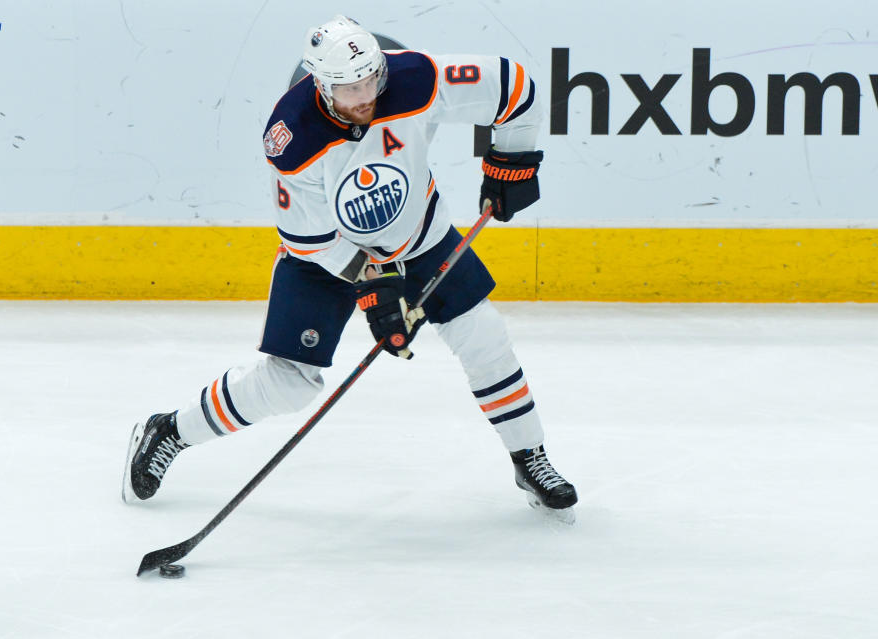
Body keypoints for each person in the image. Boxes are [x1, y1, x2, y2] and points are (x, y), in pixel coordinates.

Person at [121, 15, 577, 516]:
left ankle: (528, 456)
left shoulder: (414, 79)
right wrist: (377, 290)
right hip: (326, 259)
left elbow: (515, 86)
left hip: (419, 236)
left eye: (370, 81)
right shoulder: (293, 135)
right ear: (320, 83)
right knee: (290, 382)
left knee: (484, 336)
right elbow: (312, 240)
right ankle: (169, 430)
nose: (364, 96)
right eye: (348, 88)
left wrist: (512, 162)